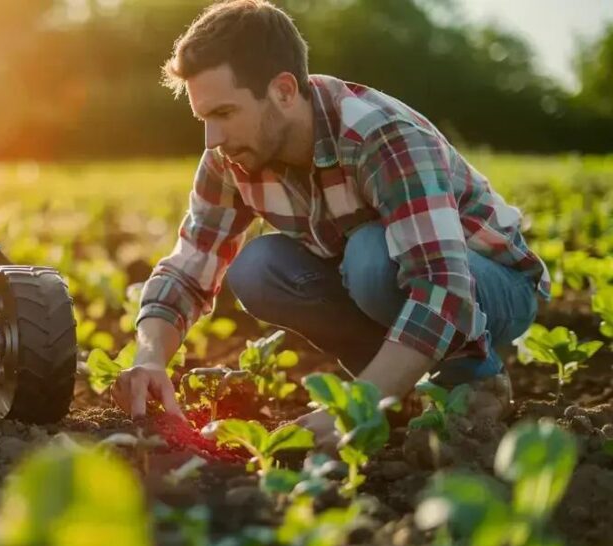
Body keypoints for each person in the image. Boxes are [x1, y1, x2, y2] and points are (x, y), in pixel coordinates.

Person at [110, 0, 548, 451]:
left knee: (370, 258)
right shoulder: (232, 157)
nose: (213, 139)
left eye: (224, 113)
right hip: (397, 281)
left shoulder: (380, 136)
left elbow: (444, 287)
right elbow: (190, 265)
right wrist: (150, 357)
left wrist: (351, 409)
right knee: (257, 268)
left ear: (283, 91)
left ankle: (472, 381)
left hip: (492, 284)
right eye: (204, 119)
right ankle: (395, 394)